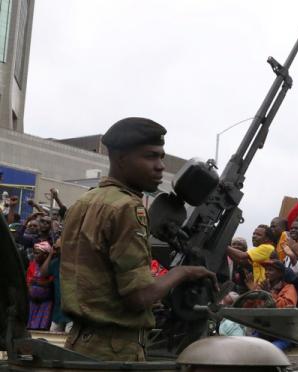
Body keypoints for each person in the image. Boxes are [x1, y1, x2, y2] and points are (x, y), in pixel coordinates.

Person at [60, 117, 218, 361]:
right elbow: (138, 297)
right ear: (122, 158)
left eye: (161, 157)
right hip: (116, 352)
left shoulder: (84, 202)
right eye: (150, 156)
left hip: (80, 344)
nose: (160, 166)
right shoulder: (128, 208)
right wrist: (183, 273)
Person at [40, 238, 72, 332]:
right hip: (58, 309)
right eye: (55, 248)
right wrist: (50, 254)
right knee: (53, 333)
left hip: (71, 309)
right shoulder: (55, 262)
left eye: (58, 248)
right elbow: (43, 272)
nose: (56, 250)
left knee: (68, 334)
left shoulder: (74, 262)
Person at [26, 241, 54, 330]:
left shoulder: (51, 265)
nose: (34, 255)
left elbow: (51, 282)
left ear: (46, 255)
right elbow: (28, 281)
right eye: (34, 253)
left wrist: (37, 282)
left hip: (45, 303)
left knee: (42, 327)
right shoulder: (32, 265)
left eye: (37, 253)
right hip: (33, 302)